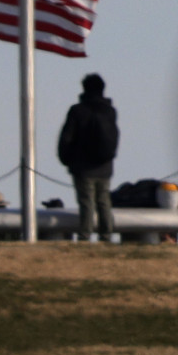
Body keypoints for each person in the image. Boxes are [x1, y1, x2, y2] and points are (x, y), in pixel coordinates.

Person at [56, 73, 119, 242]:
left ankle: (85, 235)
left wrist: (66, 159)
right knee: (104, 201)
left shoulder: (77, 111)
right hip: (105, 165)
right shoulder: (110, 111)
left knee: (86, 202)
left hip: (83, 166)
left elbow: (67, 138)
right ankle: (106, 235)